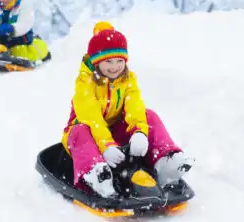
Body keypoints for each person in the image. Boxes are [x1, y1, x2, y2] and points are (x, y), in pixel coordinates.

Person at [61, 21, 194, 198]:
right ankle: (98, 175)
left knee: (149, 115)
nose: (115, 66)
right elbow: (91, 118)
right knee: (80, 131)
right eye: (108, 61)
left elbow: (134, 105)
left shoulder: (128, 79)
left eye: (119, 60)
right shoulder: (85, 84)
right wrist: (106, 145)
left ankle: (165, 162)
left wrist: (139, 132)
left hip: (116, 133)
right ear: (96, 62)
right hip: (90, 137)